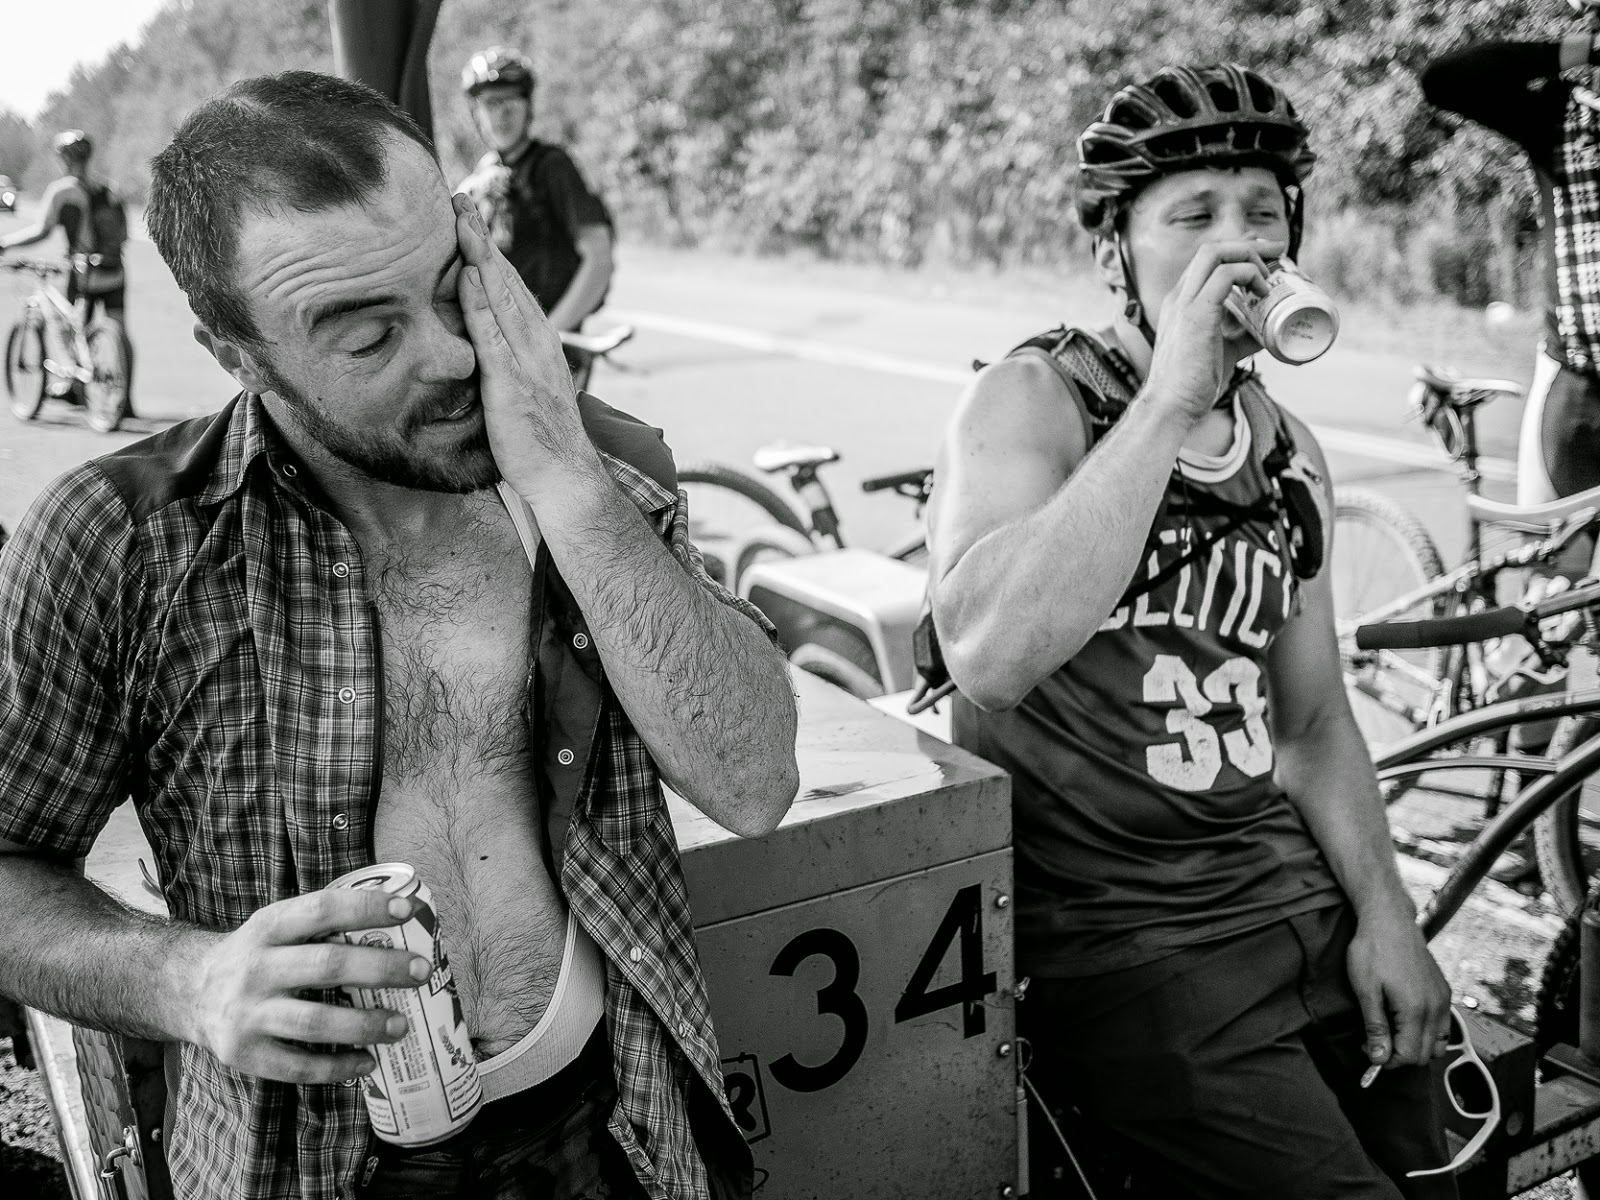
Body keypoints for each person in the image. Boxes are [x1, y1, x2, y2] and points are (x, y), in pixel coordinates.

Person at [0, 72, 799, 1200]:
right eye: (370, 336)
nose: (453, 357)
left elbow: (755, 780)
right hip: (300, 1164)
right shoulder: (124, 542)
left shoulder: (592, 471)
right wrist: (186, 980)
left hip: (620, 1123)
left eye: (452, 288)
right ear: (237, 352)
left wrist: (568, 478)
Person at [924, 64, 1458, 1198]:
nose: (1237, 244)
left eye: (1262, 212)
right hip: (1126, 940)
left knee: (1443, 1170)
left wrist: (1389, 914)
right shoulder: (1033, 400)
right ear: (1115, 252)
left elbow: (1312, 724)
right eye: (1193, 216)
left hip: (1285, 895)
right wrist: (1170, 397)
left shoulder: (1287, 451)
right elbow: (985, 658)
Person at [458, 47, 614, 336]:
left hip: (550, 344)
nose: (501, 114)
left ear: (528, 107)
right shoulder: (481, 176)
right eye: (490, 103)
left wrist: (548, 336)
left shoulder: (552, 166)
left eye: (511, 102)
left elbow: (599, 258)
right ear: (476, 112)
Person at [0, 130, 129, 329]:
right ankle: (116, 346)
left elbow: (42, 231)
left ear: (65, 159)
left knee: (72, 331)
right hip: (114, 271)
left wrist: (5, 243)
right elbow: (124, 234)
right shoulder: (109, 189)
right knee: (118, 331)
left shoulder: (62, 191)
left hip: (82, 275)